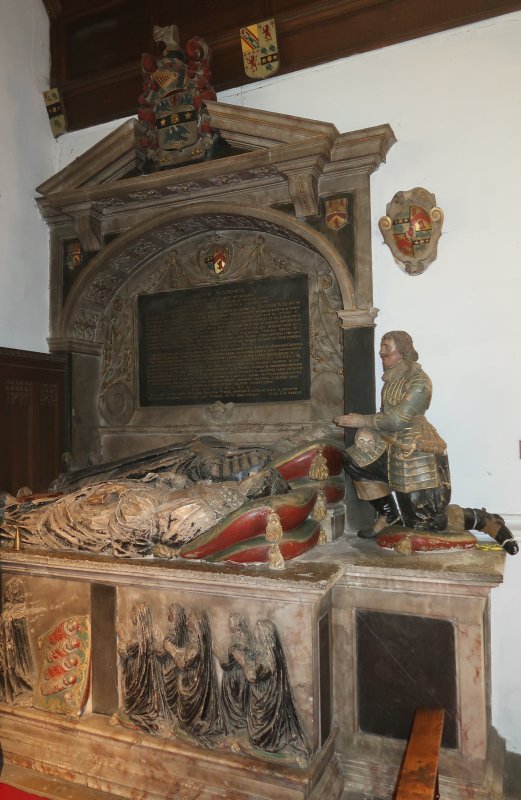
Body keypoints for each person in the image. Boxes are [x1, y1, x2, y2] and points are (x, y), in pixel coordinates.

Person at [335, 330, 518, 553]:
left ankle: (483, 519)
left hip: (415, 449)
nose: (381, 353)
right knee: (354, 459)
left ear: (402, 352)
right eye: (381, 347)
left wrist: (361, 420)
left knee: (426, 522)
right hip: (390, 444)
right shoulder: (393, 378)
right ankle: (389, 513)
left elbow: (398, 419)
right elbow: (386, 418)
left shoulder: (419, 381)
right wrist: (368, 431)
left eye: (387, 348)